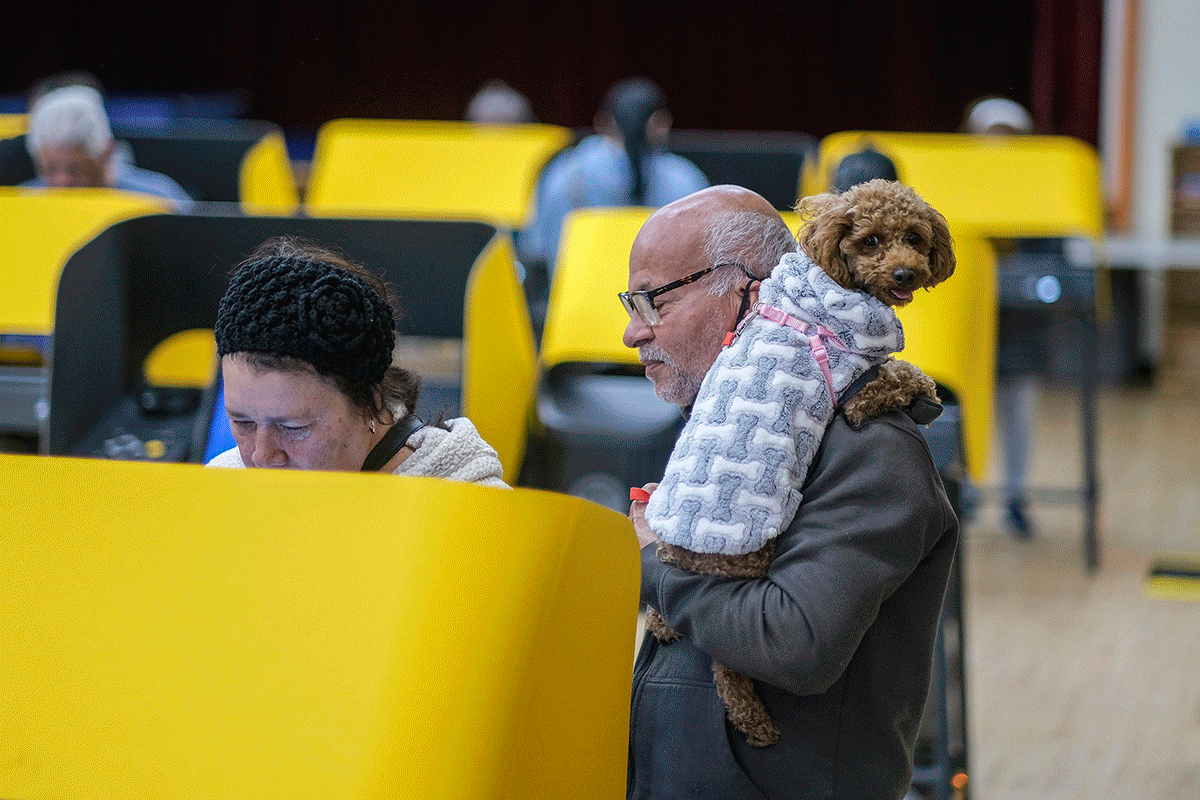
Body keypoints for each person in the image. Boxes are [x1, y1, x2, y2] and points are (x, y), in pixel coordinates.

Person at [622, 185, 958, 799]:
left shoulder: (875, 451)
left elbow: (792, 642)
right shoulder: (730, 432)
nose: (631, 333)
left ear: (751, 293)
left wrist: (652, 559)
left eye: (653, 302)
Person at [206, 237, 508, 487]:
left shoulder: (473, 507)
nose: (260, 456)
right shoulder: (223, 488)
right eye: (242, 423)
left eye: (293, 427)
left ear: (370, 403)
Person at [518, 76, 709, 274]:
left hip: (581, 293)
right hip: (656, 294)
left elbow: (536, 249)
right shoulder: (685, 180)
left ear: (601, 122)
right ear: (662, 124)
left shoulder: (565, 174)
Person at [963, 95, 1045, 538]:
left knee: (1019, 412)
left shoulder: (1038, 193)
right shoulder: (959, 187)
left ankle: (1015, 497)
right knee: (962, 412)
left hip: (1018, 324)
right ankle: (964, 493)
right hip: (966, 327)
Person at [21, 85, 194, 212]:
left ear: (106, 153)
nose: (62, 182)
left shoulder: (160, 202)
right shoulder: (22, 206)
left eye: (75, 170)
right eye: (50, 170)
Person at [465, 79, 536, 124]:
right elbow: (471, 117)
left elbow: (524, 117)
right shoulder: (481, 97)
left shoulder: (513, 97)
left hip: (512, 134)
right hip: (484, 134)